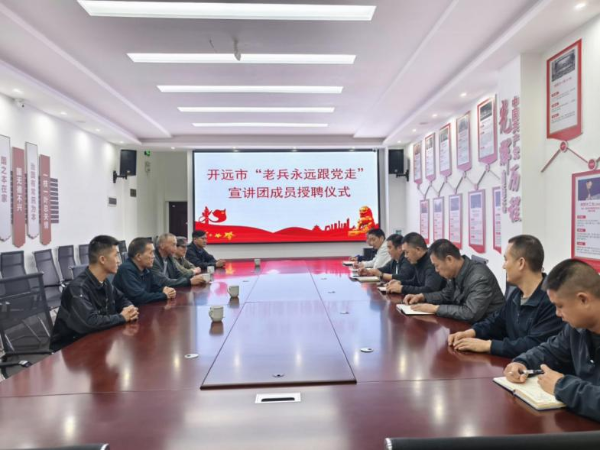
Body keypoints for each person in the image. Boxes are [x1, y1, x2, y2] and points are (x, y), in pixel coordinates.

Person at [504, 259, 600, 423]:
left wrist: (561, 386)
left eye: (560, 306)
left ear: (583, 299)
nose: (557, 313)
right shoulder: (576, 328)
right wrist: (522, 363)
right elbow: (550, 350)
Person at [448, 235, 563, 356]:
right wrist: (471, 332)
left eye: (506, 260)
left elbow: (534, 345)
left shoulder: (551, 301)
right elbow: (496, 322)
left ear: (521, 263)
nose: (503, 266)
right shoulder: (516, 294)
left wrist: (488, 345)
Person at [50, 235, 138, 351]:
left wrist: (130, 309)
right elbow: (90, 322)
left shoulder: (105, 282)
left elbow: (121, 299)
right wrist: (122, 317)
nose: (119, 261)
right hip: (71, 349)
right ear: (102, 259)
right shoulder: (78, 288)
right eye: (116, 255)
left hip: (97, 339)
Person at [404, 239, 504, 322]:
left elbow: (470, 313)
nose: (436, 270)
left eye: (437, 265)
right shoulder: (455, 273)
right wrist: (423, 297)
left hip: (490, 332)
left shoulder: (479, 277)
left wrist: (435, 309)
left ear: (449, 259)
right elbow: (446, 294)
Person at [113, 237, 177, 305]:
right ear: (138, 256)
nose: (154, 256)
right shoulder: (126, 270)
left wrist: (165, 289)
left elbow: (154, 287)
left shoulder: (146, 267)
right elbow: (139, 298)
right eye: (151, 253)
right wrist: (164, 295)